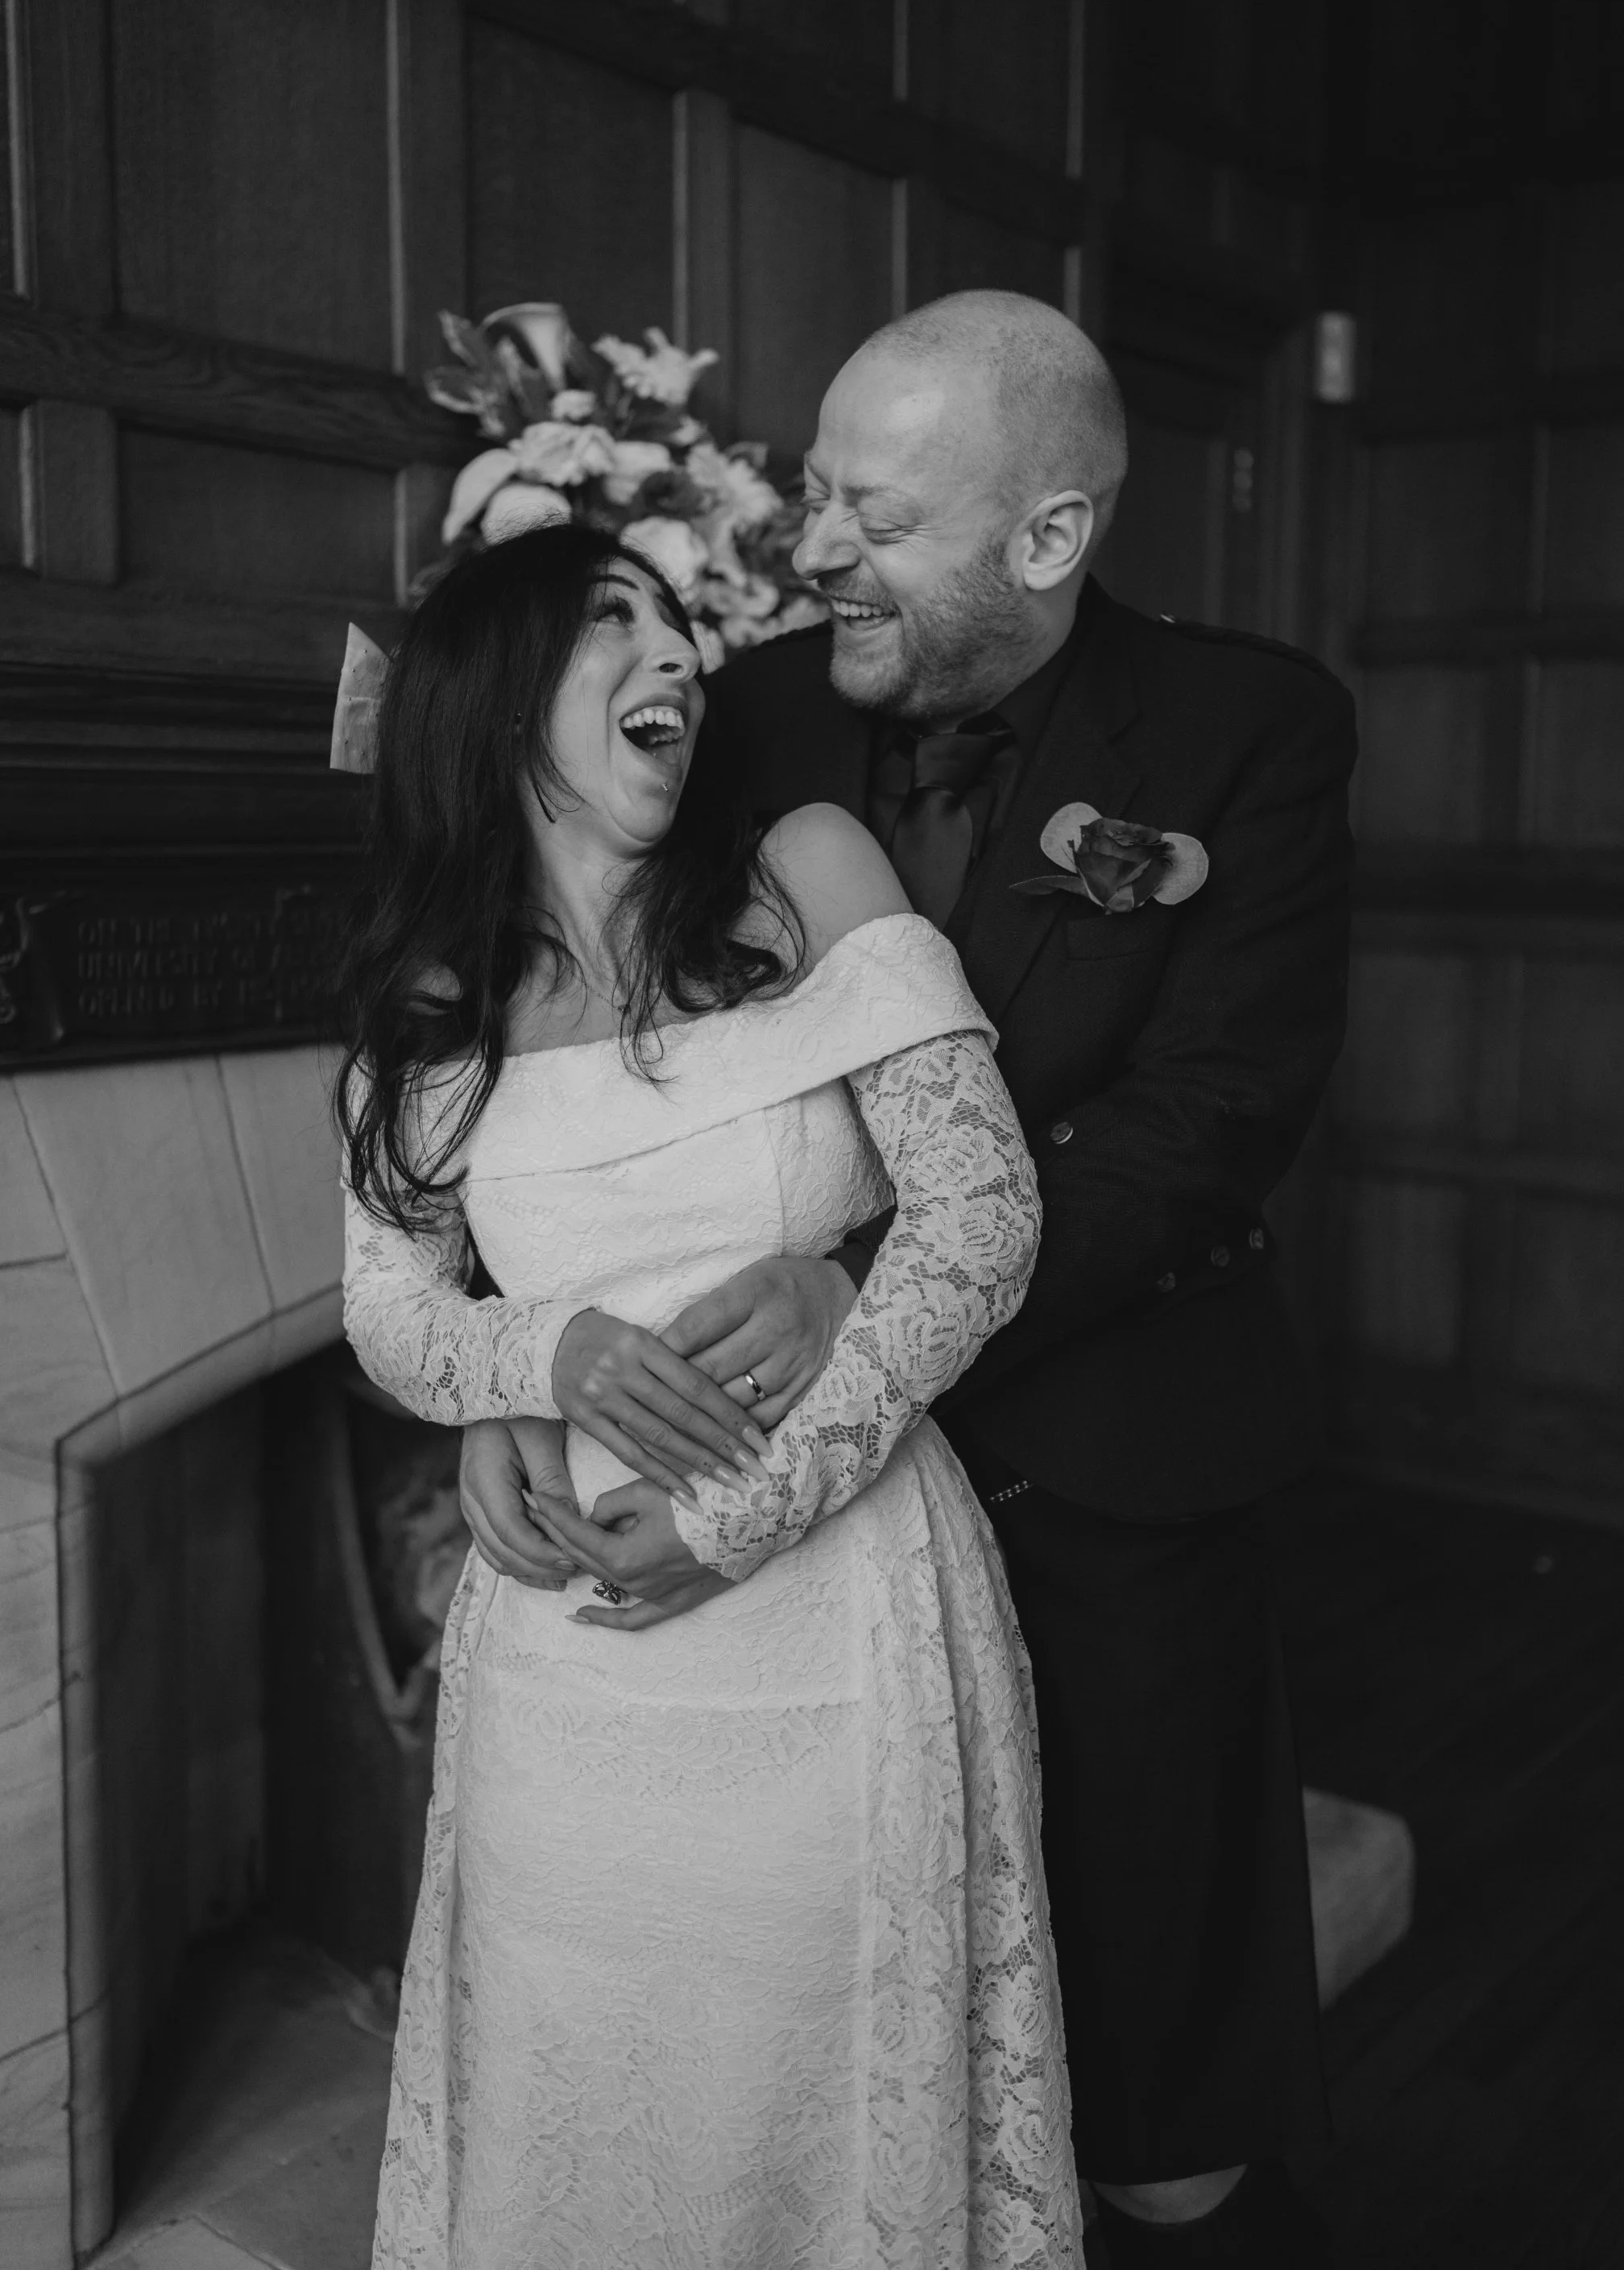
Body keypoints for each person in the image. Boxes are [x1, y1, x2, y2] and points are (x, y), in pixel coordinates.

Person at [669, 291, 1355, 2265]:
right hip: (816, 1492)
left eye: (873, 517)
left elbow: (1208, 1118)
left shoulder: (1251, 728)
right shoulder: (750, 713)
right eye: (815, 492)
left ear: (1047, 536)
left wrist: (874, 1296)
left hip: (1117, 1453)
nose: (813, 550)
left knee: (1153, 2047)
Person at [337, 523, 1084, 2268]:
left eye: (682, 621)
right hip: (565, 1657)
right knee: (581, 2090)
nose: (676, 652)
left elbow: (981, 1221)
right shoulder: (435, 993)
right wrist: (544, 1356)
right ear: (496, 700)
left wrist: (741, 1506)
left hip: (835, 1611)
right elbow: (388, 1312)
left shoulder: (805, 868)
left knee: (820, 2100)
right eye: (619, 622)